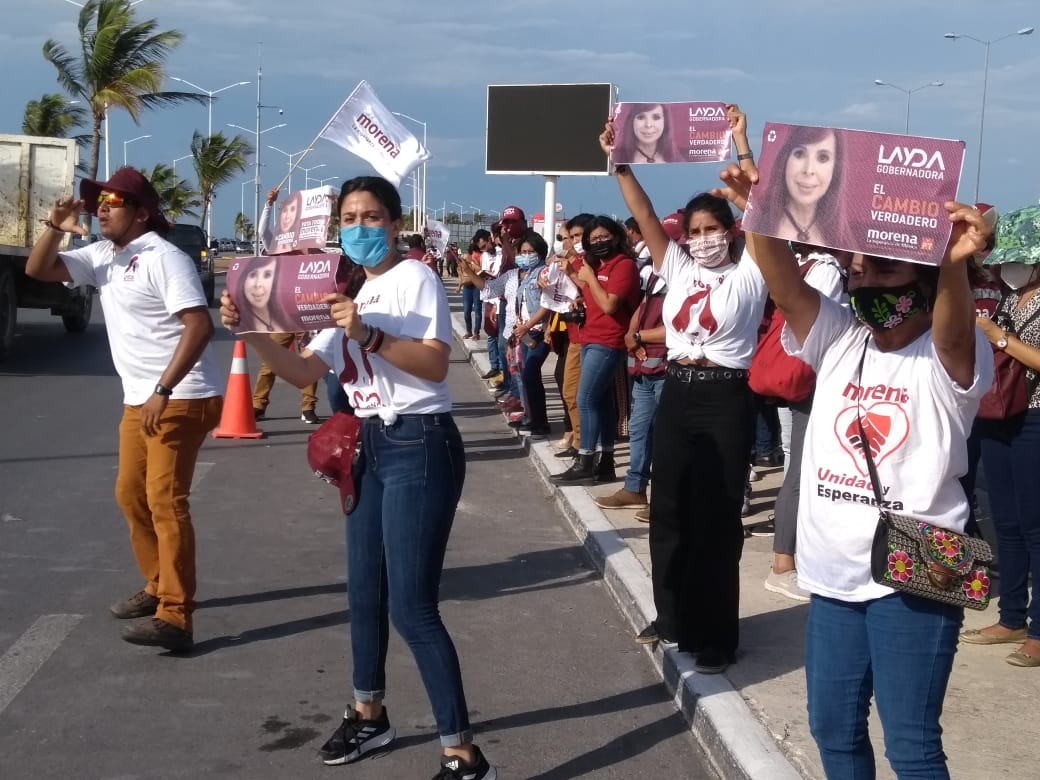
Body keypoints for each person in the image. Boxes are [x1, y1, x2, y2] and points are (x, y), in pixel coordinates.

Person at [714, 136, 994, 775]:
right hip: (833, 575)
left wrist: (951, 263)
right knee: (833, 732)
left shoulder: (952, 354)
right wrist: (762, 209)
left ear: (924, 281)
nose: (866, 280)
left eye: (887, 271)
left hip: (913, 575)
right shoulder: (840, 336)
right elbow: (786, 289)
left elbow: (951, 326)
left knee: (911, 744)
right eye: (858, 269)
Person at [220, 175, 496, 779]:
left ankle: (464, 755)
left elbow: (432, 364)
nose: (361, 227)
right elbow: (301, 371)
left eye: (373, 217)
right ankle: (368, 714)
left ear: (395, 225)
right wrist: (251, 326)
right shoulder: (343, 289)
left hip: (418, 442)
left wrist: (366, 333)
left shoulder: (414, 278)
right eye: (350, 217)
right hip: (365, 444)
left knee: (413, 607)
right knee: (363, 593)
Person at [600, 107, 769, 674]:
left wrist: (742, 144)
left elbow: (767, 214)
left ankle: (718, 634)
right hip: (678, 390)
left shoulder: (752, 271)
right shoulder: (675, 265)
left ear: (730, 231)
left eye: (711, 230)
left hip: (726, 396)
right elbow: (644, 212)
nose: (701, 240)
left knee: (717, 518)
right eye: (693, 231)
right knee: (669, 510)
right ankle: (671, 616)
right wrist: (619, 160)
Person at [26, 166, 222, 652]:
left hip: (182, 394)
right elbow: (37, 270)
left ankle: (176, 616)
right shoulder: (101, 255)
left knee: (164, 500)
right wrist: (54, 225)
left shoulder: (164, 258)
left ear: (141, 213)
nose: (102, 207)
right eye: (99, 200)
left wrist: (163, 388)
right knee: (129, 494)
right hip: (140, 398)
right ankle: (158, 583)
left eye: (114, 200)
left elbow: (198, 326)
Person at [964, 204, 1040, 668]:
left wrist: (998, 337)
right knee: (1006, 523)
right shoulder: (1013, 300)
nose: (1010, 268)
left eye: (1021, 258)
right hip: (998, 416)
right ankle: (1011, 615)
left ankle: (1038, 630)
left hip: (1035, 419)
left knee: (1036, 527)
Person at [550, 216, 641, 485]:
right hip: (590, 337)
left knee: (585, 398)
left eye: (604, 237)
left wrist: (588, 277)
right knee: (600, 401)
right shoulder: (597, 265)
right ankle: (605, 462)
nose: (599, 243)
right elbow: (589, 290)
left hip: (609, 340)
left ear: (616, 237)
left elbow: (610, 305)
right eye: (594, 239)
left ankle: (585, 460)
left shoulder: (623, 266)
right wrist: (578, 279)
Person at [460, 230, 552, 434]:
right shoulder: (515, 275)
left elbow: (548, 302)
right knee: (524, 376)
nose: (525, 255)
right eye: (523, 251)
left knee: (530, 375)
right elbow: (490, 288)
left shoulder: (544, 272)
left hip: (538, 331)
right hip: (519, 333)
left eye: (530, 252)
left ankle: (540, 421)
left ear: (540, 253)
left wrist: (526, 327)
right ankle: (531, 417)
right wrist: (470, 272)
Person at [753, 125, 845, 248]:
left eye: (823, 157)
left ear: (835, 169)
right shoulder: (757, 224)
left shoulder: (842, 240)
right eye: (800, 154)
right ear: (785, 160)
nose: (808, 170)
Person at [613, 103, 682, 164]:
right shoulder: (616, 158)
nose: (648, 125)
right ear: (631, 122)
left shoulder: (676, 158)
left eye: (656, 117)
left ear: (665, 122)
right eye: (641, 117)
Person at [458, 236, 484, 340]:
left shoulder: (482, 255)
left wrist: (474, 263)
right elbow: (461, 272)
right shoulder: (466, 256)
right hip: (467, 286)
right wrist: (459, 285)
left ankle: (476, 332)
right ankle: (468, 331)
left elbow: (482, 270)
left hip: (477, 286)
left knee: (477, 310)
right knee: (466, 310)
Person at [264, 189, 303, 255]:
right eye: (284, 210)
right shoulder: (275, 244)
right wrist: (269, 204)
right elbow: (263, 231)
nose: (287, 216)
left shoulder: (302, 244)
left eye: (292, 210)